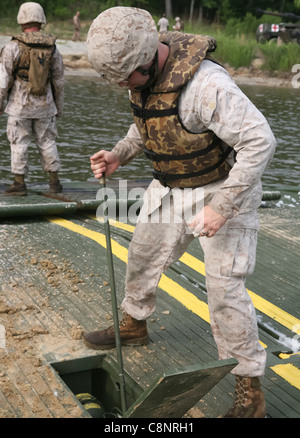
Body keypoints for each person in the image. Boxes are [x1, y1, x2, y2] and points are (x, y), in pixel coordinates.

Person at [84, 7, 276, 418]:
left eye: (124, 78)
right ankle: (134, 325)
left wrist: (222, 207)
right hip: (173, 184)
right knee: (143, 254)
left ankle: (251, 392)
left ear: (148, 59)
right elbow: (146, 123)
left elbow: (260, 141)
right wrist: (119, 154)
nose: (121, 85)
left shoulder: (208, 85)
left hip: (227, 187)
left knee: (225, 291)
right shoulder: (142, 74)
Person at [0, 2, 64, 196]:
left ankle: (19, 183)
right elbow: (59, 81)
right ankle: (54, 183)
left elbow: (3, 81)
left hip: (19, 105)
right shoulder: (52, 49)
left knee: (19, 142)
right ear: (41, 20)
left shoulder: (12, 47)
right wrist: (59, 108)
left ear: (21, 20)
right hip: (45, 106)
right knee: (47, 142)